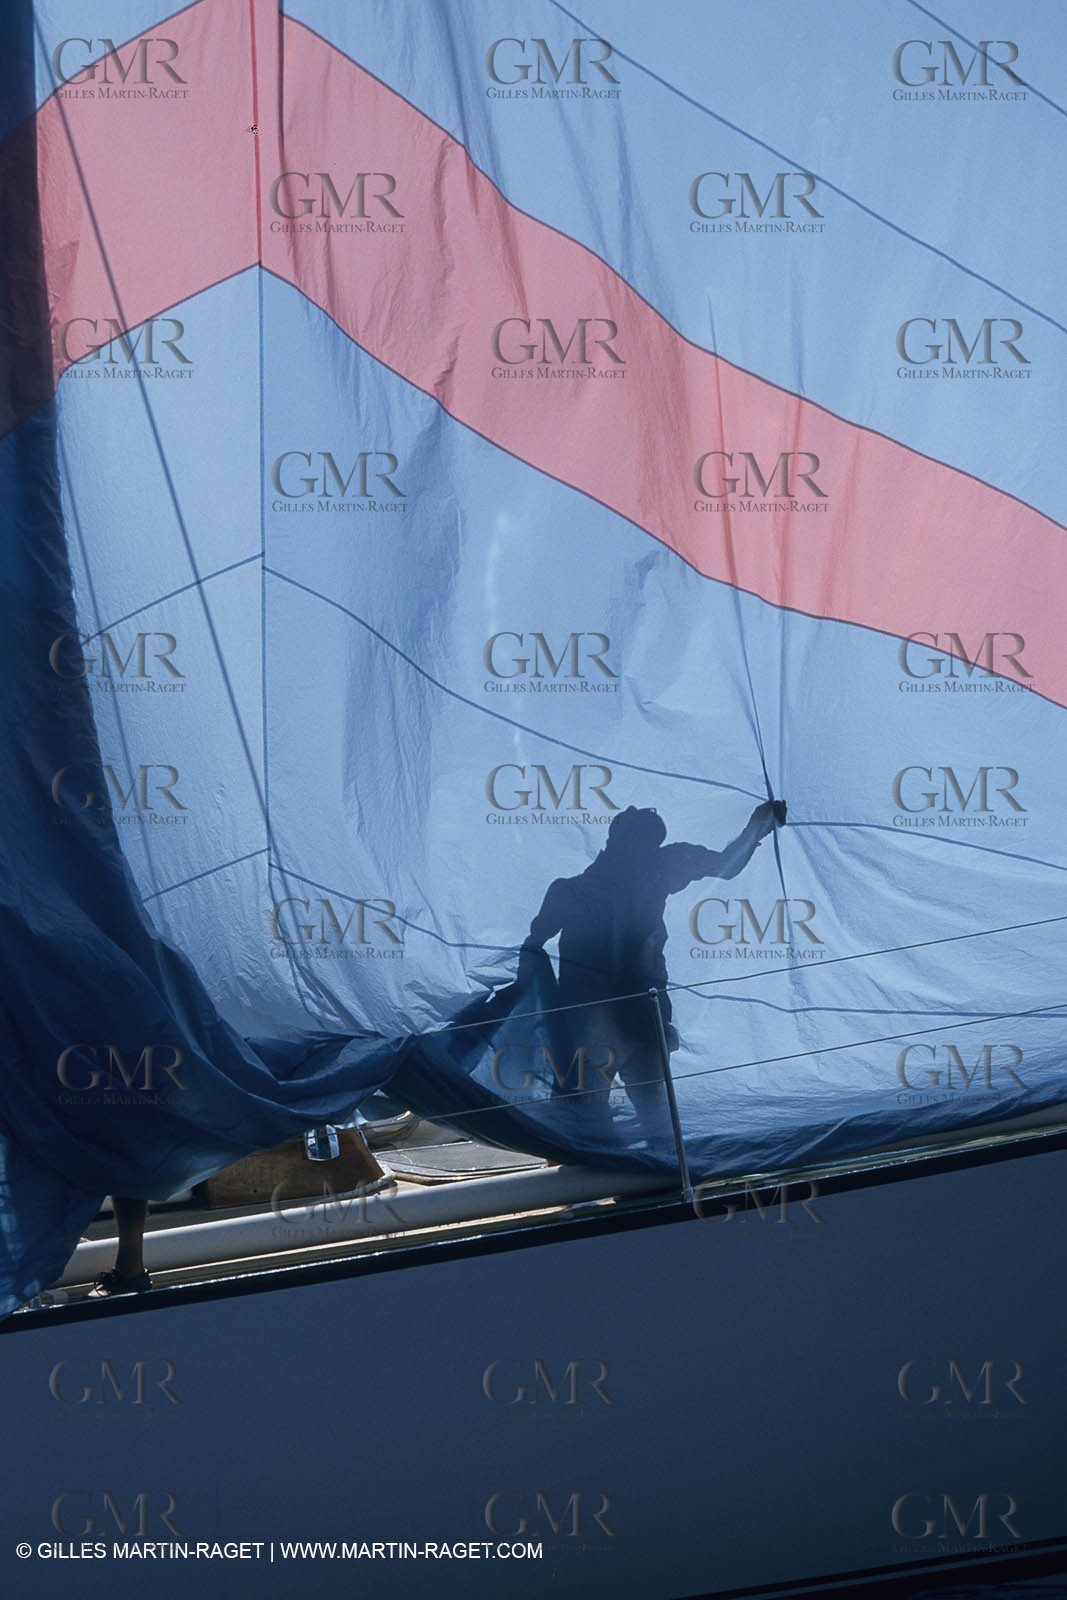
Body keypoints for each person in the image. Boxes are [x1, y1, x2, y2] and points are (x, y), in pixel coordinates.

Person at [518, 799, 787, 1137]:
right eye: (641, 842)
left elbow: (532, 947)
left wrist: (757, 826)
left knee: (623, 1123)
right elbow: (533, 946)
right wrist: (757, 827)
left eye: (650, 844)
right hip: (613, 1020)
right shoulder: (609, 882)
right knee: (613, 1123)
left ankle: (643, 1171)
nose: (643, 852)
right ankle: (628, 1169)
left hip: (627, 1019)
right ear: (617, 841)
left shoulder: (640, 874)